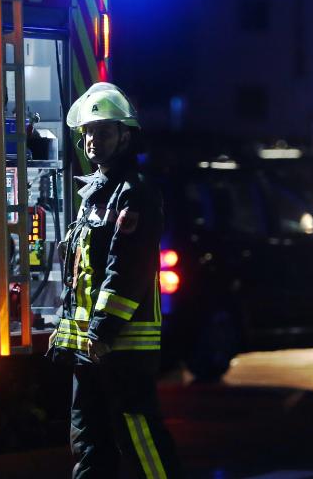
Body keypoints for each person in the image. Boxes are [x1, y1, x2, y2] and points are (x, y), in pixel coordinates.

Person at [47, 82, 182, 478]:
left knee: (139, 436)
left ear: (125, 136)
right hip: (91, 348)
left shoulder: (134, 193)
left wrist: (103, 330)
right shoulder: (96, 193)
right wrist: (72, 332)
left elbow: (127, 268)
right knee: (89, 440)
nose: (93, 140)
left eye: (103, 131)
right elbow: (82, 274)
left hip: (122, 345)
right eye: (88, 131)